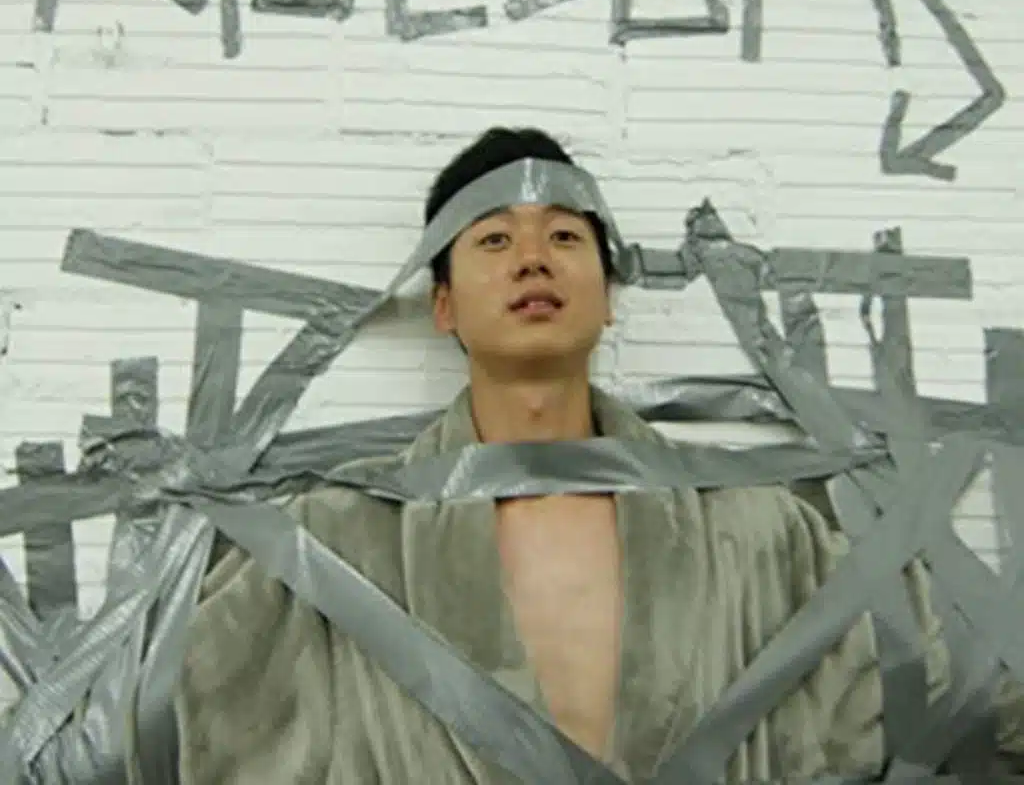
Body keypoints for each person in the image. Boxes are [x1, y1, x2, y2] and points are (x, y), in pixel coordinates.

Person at [173, 127, 1024, 783]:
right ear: (443, 305)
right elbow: (188, 736)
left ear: (609, 296)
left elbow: (959, 705)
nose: (532, 258)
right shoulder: (330, 548)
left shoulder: (762, 535)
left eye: (565, 237)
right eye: (493, 240)